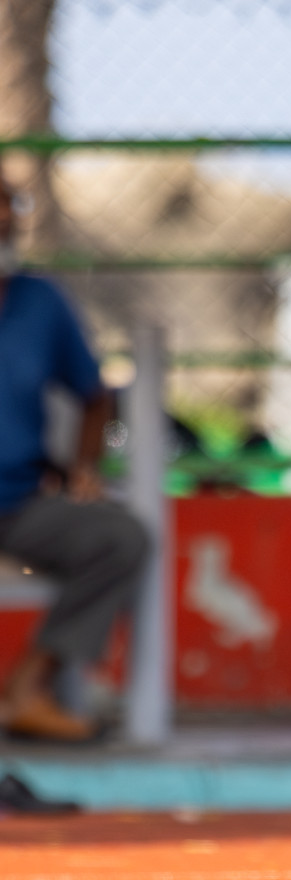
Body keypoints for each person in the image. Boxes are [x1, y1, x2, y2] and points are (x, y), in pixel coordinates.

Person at [0, 175, 148, 741]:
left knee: (120, 537)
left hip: (19, 501)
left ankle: (27, 689)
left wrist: (87, 466)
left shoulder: (40, 302)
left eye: (8, 214)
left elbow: (96, 396)